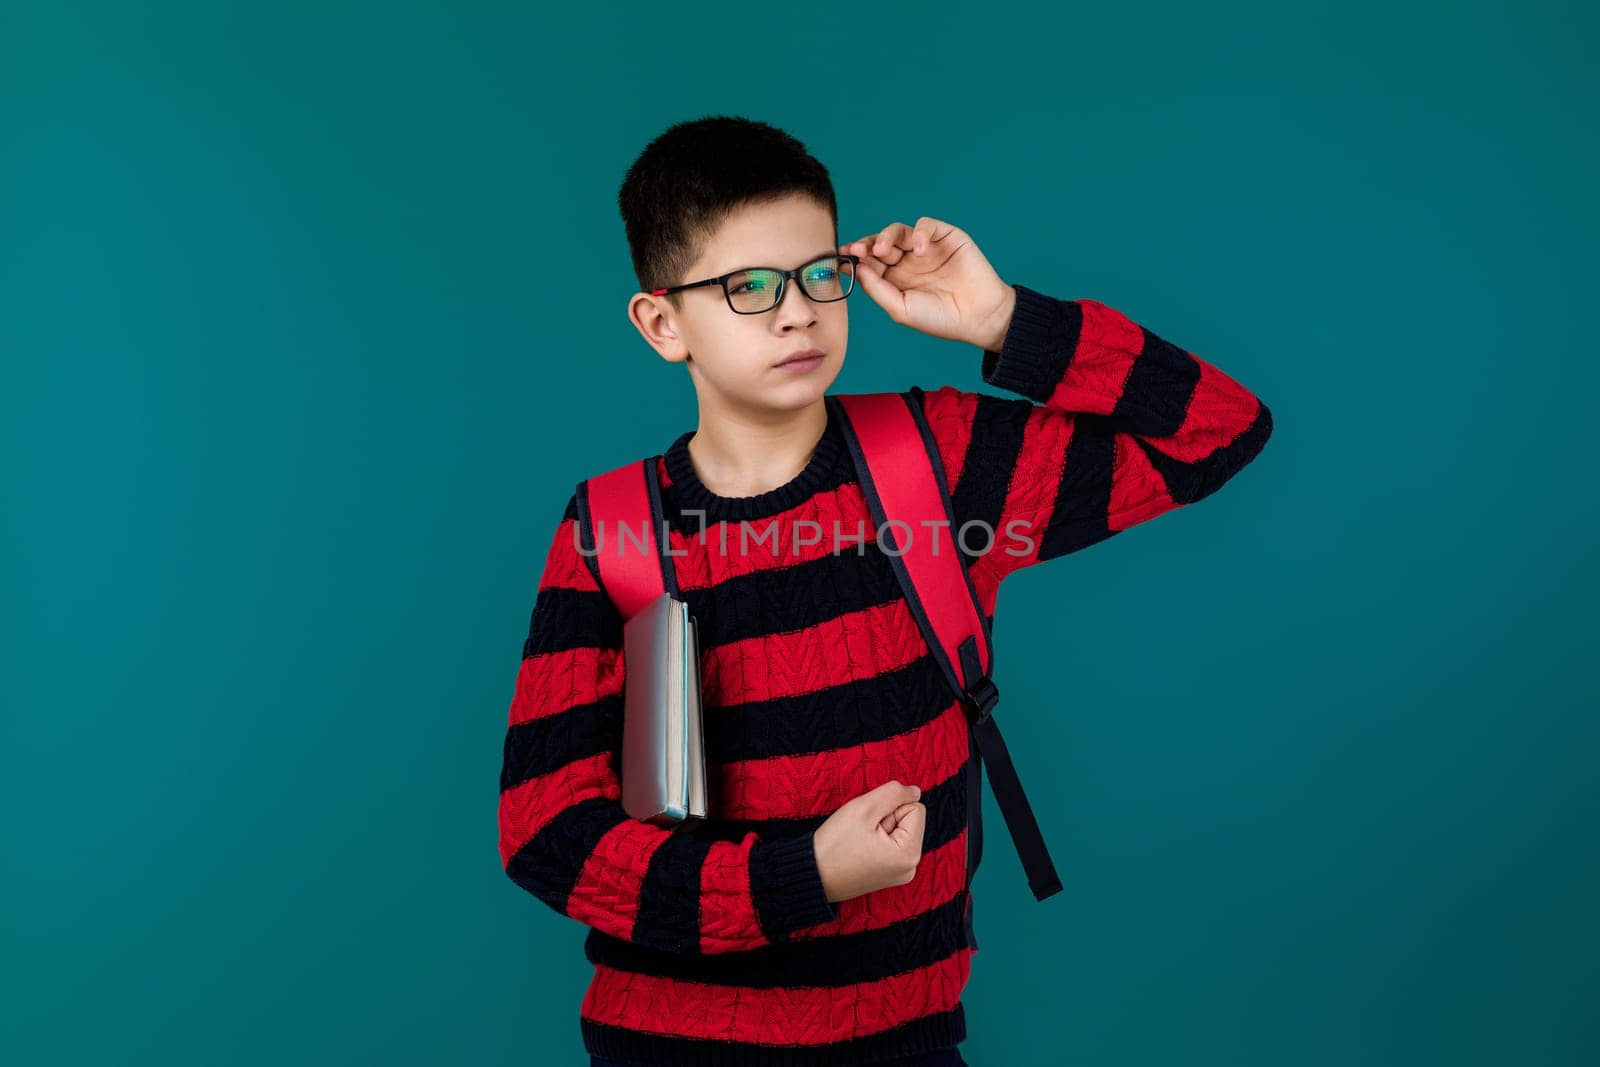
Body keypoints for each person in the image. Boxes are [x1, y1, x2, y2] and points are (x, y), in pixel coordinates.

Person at [496, 115, 1274, 1066]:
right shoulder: (612, 526)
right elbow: (548, 831)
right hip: (664, 1044)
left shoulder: (940, 467)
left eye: (820, 274)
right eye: (747, 287)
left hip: (903, 1041)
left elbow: (1216, 432)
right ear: (663, 323)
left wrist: (1004, 321)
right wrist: (804, 876)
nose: (798, 313)